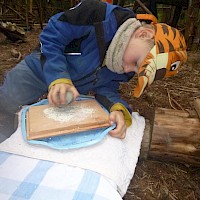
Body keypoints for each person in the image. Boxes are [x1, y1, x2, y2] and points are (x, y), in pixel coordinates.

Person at [0, 0, 187, 142]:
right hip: (41, 66)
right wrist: (59, 77)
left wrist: (117, 108)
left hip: (70, 92)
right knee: (10, 96)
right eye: (136, 62)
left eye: (137, 72)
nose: (128, 70)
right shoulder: (97, 14)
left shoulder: (124, 63)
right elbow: (51, 37)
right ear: (143, 34)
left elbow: (106, 87)